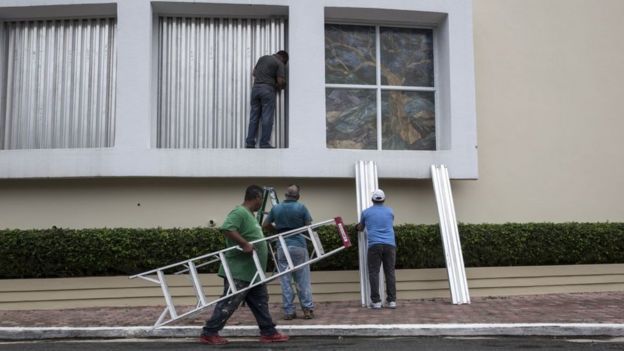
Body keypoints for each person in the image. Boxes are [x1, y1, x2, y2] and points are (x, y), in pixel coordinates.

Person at [200, 185, 289, 345]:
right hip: (239, 271)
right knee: (230, 302)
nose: (261, 203)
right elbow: (227, 228)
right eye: (261, 199)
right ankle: (209, 332)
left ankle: (268, 332)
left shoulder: (250, 215)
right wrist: (245, 244)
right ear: (256, 198)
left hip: (253, 272)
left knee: (260, 301)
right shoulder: (239, 212)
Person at [262, 185, 316, 320]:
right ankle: (307, 309)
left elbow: (265, 225)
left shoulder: (276, 208)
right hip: (299, 246)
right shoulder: (301, 207)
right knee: (303, 279)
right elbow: (308, 225)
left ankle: (289, 311)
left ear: (286, 195)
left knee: (285, 281)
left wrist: (278, 232)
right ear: (297, 196)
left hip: (282, 246)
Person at [355, 189, 397, 309]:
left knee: (374, 272)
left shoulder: (366, 212)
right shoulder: (390, 211)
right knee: (390, 272)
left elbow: (361, 228)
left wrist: (356, 227)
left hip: (374, 245)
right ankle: (392, 301)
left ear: (372, 199)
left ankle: (376, 301)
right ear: (384, 199)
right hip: (390, 244)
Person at [245, 50, 289, 149]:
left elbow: (254, 73)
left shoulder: (263, 58)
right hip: (267, 90)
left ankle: (250, 142)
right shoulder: (279, 63)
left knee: (254, 117)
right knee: (267, 117)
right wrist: (281, 85)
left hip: (255, 89)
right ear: (283, 58)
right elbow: (280, 81)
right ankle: (264, 143)